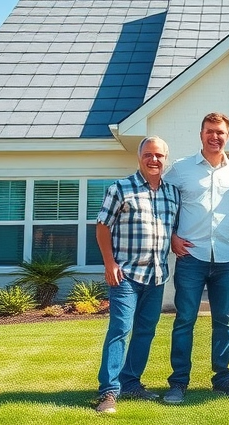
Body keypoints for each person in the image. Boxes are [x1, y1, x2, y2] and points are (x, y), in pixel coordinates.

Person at [164, 112, 229, 404]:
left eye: (220, 132)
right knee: (185, 319)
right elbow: (161, 204)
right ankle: (178, 383)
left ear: (228, 135)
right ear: (200, 134)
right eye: (209, 131)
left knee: (224, 321)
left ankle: (222, 379)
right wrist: (172, 237)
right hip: (191, 257)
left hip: (227, 258)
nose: (215, 137)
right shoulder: (180, 169)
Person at [93, 136, 181, 414]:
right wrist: (109, 263)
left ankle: (131, 382)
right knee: (120, 330)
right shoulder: (120, 189)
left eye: (159, 156)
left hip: (157, 276)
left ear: (165, 159)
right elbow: (102, 227)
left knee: (145, 331)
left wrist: (176, 240)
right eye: (149, 155)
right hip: (126, 275)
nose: (154, 160)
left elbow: (172, 228)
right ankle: (108, 392)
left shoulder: (173, 193)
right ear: (139, 156)